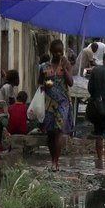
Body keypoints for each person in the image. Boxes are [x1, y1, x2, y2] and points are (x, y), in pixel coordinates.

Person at [38, 39, 73, 172]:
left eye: (61, 51)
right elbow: (40, 83)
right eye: (56, 52)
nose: (58, 54)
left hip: (62, 103)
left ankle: (55, 163)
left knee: (58, 131)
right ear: (51, 52)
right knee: (50, 133)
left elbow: (70, 83)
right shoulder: (44, 67)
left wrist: (64, 69)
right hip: (48, 103)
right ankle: (53, 158)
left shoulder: (66, 65)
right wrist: (48, 83)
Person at [0, 70, 20, 151]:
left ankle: (0, 143)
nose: (18, 80)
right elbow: (10, 102)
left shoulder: (9, 87)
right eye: (17, 78)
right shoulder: (8, 87)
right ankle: (10, 136)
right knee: (5, 118)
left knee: (4, 117)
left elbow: (12, 103)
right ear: (14, 79)